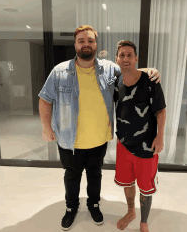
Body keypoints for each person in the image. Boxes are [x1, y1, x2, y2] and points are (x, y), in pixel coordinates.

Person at [38, 25, 161, 231]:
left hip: (99, 138)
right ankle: (71, 208)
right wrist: (45, 126)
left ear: (96, 45)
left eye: (90, 41)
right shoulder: (59, 71)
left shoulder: (109, 70)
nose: (86, 44)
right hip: (70, 140)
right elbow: (45, 99)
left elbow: (129, 71)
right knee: (72, 175)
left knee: (95, 174)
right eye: (81, 41)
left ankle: (94, 205)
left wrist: (150, 71)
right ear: (75, 44)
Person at [114, 40, 166, 232]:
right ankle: (130, 212)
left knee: (145, 186)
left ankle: (143, 222)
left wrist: (160, 137)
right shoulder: (115, 81)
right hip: (124, 144)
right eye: (122, 55)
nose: (126, 58)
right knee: (127, 182)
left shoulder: (150, 81)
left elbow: (161, 110)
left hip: (147, 146)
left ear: (136, 58)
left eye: (130, 55)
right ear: (117, 59)